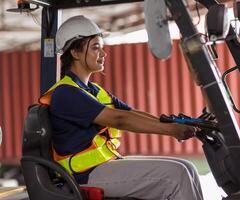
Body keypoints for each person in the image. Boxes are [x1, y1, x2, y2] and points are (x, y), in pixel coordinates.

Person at [39, 15, 203, 200]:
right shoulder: (66, 93)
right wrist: (170, 130)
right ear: (75, 53)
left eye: (102, 47)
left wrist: (175, 122)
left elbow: (130, 113)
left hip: (104, 166)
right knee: (176, 175)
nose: (103, 53)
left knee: (187, 167)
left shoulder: (93, 90)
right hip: (83, 176)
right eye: (95, 47)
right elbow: (119, 119)